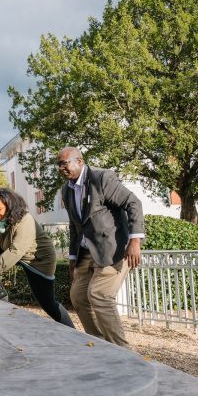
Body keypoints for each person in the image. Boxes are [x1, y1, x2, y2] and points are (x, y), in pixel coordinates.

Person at [56, 146, 144, 347]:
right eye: (58, 164)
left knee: (100, 295)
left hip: (112, 249)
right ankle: (101, 345)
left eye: (64, 163)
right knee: (78, 296)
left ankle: (123, 351)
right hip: (85, 252)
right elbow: (74, 226)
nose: (61, 168)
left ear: (79, 161)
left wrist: (135, 241)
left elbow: (134, 203)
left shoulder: (101, 178)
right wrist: (72, 258)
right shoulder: (66, 190)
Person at [0, 187, 75, 328]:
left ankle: (72, 330)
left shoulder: (24, 220)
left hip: (38, 259)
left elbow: (17, 249)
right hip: (9, 249)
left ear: (9, 207)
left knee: (47, 303)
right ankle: (0, 290)